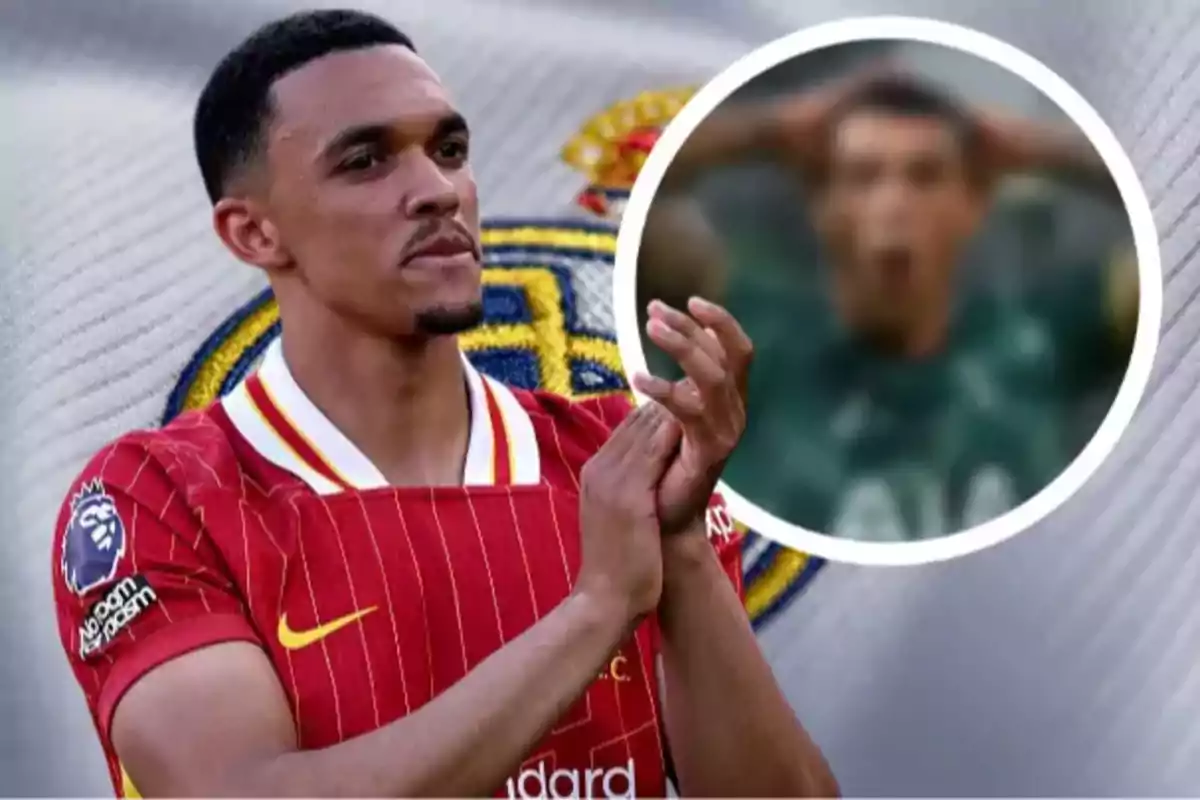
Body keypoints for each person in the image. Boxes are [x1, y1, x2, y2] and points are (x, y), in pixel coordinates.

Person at [51, 9, 837, 799]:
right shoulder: (154, 497)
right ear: (254, 233)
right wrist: (596, 608)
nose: (436, 190)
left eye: (450, 150)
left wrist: (685, 550)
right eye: (364, 161)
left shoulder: (615, 461)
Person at [654, 70, 1138, 542]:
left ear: (974, 203)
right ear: (822, 205)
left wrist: (1042, 148)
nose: (893, 202)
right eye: (863, 176)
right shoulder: (744, 332)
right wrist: (771, 130)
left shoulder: (1041, 336)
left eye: (925, 176)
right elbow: (598, 193)